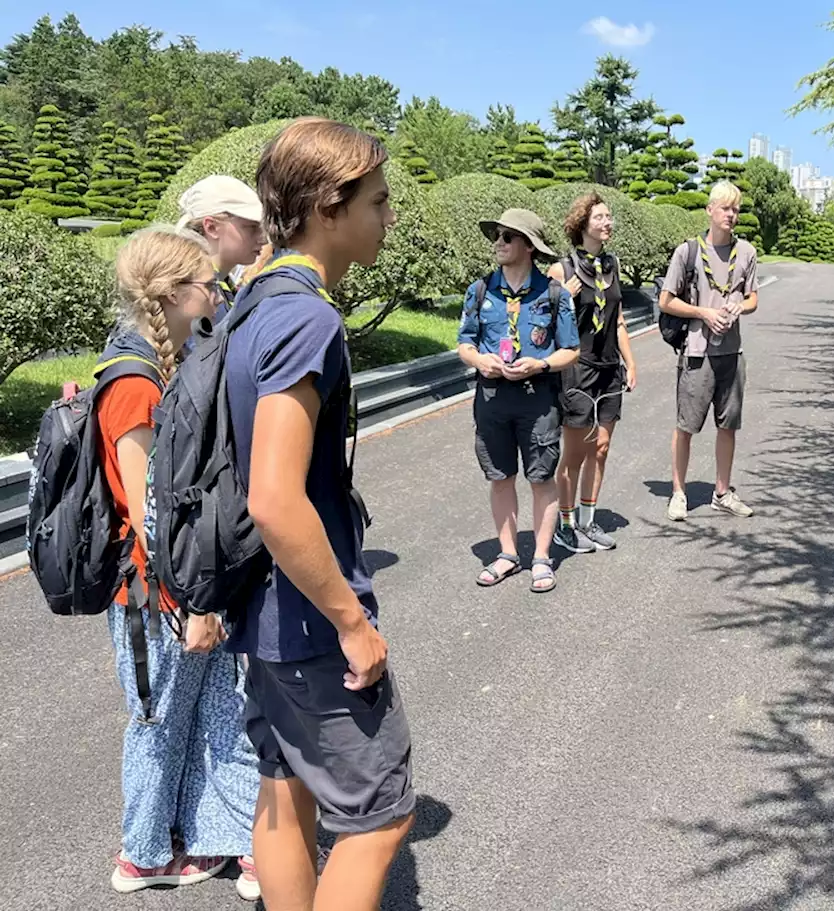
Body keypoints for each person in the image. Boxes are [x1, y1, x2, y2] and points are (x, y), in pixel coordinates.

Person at [225, 118, 414, 910]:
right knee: (377, 818)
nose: (389, 217)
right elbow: (272, 494)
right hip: (306, 619)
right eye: (378, 200)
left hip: (258, 611)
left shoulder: (251, 301)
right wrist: (350, 621)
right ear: (328, 207)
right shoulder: (307, 317)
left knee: (283, 782)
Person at [100, 227, 260, 899]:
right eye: (208, 284)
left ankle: (227, 837)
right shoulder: (134, 383)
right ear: (172, 295)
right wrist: (196, 604)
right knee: (159, 722)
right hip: (158, 596)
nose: (217, 293)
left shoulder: (158, 363)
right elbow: (151, 514)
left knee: (214, 710)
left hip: (179, 587)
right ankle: (142, 855)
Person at [457, 208, 580, 591]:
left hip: (537, 399)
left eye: (507, 237)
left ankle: (542, 557)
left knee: (541, 478)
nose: (499, 242)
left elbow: (571, 350)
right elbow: (465, 343)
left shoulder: (554, 294)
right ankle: (508, 554)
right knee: (500, 477)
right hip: (492, 397)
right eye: (497, 235)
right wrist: (480, 360)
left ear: (528, 246)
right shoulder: (480, 291)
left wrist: (539, 365)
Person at [659, 180, 760, 521]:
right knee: (686, 426)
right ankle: (678, 492)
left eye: (736, 209)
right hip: (697, 352)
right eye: (726, 208)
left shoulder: (746, 252)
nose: (732, 214)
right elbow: (666, 300)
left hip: (732, 352)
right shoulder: (687, 251)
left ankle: (722, 491)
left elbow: (754, 297)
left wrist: (739, 309)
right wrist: (704, 313)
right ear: (710, 210)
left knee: (728, 425)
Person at [548, 192, 637, 554]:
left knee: (600, 448)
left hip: (608, 369)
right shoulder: (562, 269)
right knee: (575, 453)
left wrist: (631, 363)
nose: (607, 222)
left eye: (609, 217)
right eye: (600, 217)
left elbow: (617, 322)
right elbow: (542, 323)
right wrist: (563, 300)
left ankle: (587, 520)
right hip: (577, 368)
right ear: (582, 223)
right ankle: (565, 525)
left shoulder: (612, 265)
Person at [175, 175, 266, 319]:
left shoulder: (221, 285)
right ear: (211, 227)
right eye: (251, 228)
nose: (263, 239)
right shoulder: (197, 295)